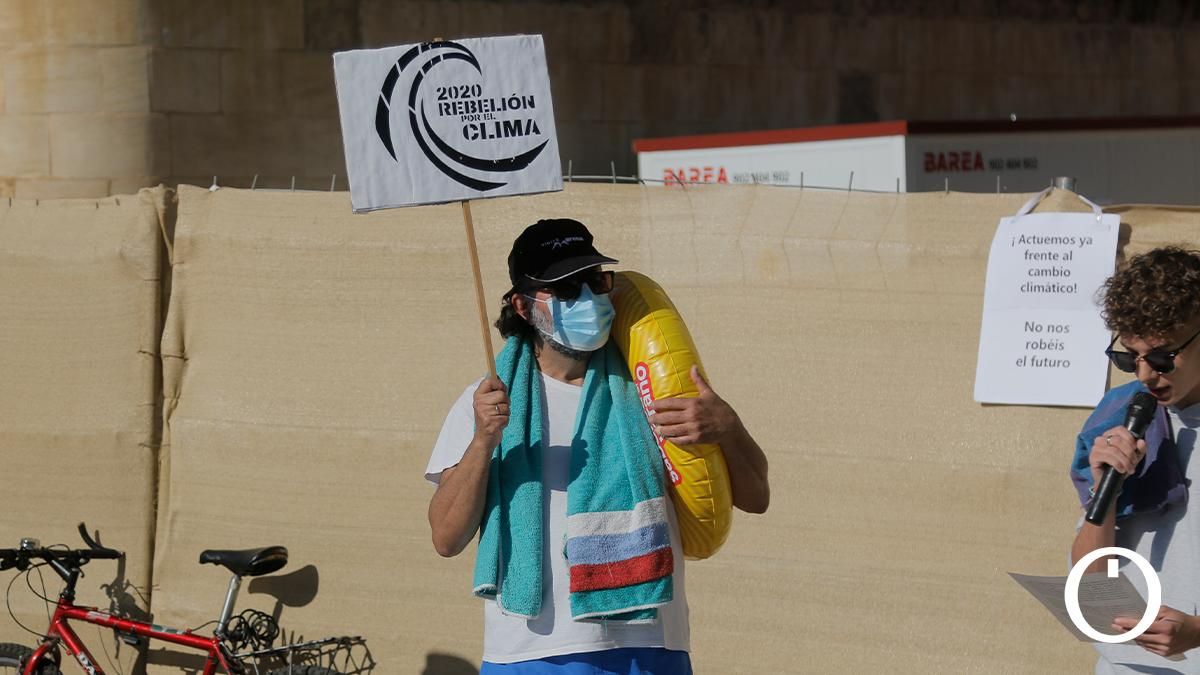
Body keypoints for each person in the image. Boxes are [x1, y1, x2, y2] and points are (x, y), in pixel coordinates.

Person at [425, 218, 770, 674]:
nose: (588, 297)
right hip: (531, 652)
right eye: (566, 289)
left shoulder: (652, 389)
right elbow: (446, 538)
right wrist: (485, 439)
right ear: (524, 307)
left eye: (596, 280)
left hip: (649, 645)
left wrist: (727, 426)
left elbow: (756, 497)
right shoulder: (489, 402)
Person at [1069, 246, 1200, 671]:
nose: (1144, 374)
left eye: (1162, 357)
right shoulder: (1122, 415)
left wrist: (1197, 631)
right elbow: (1092, 576)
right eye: (1129, 357)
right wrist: (1104, 496)